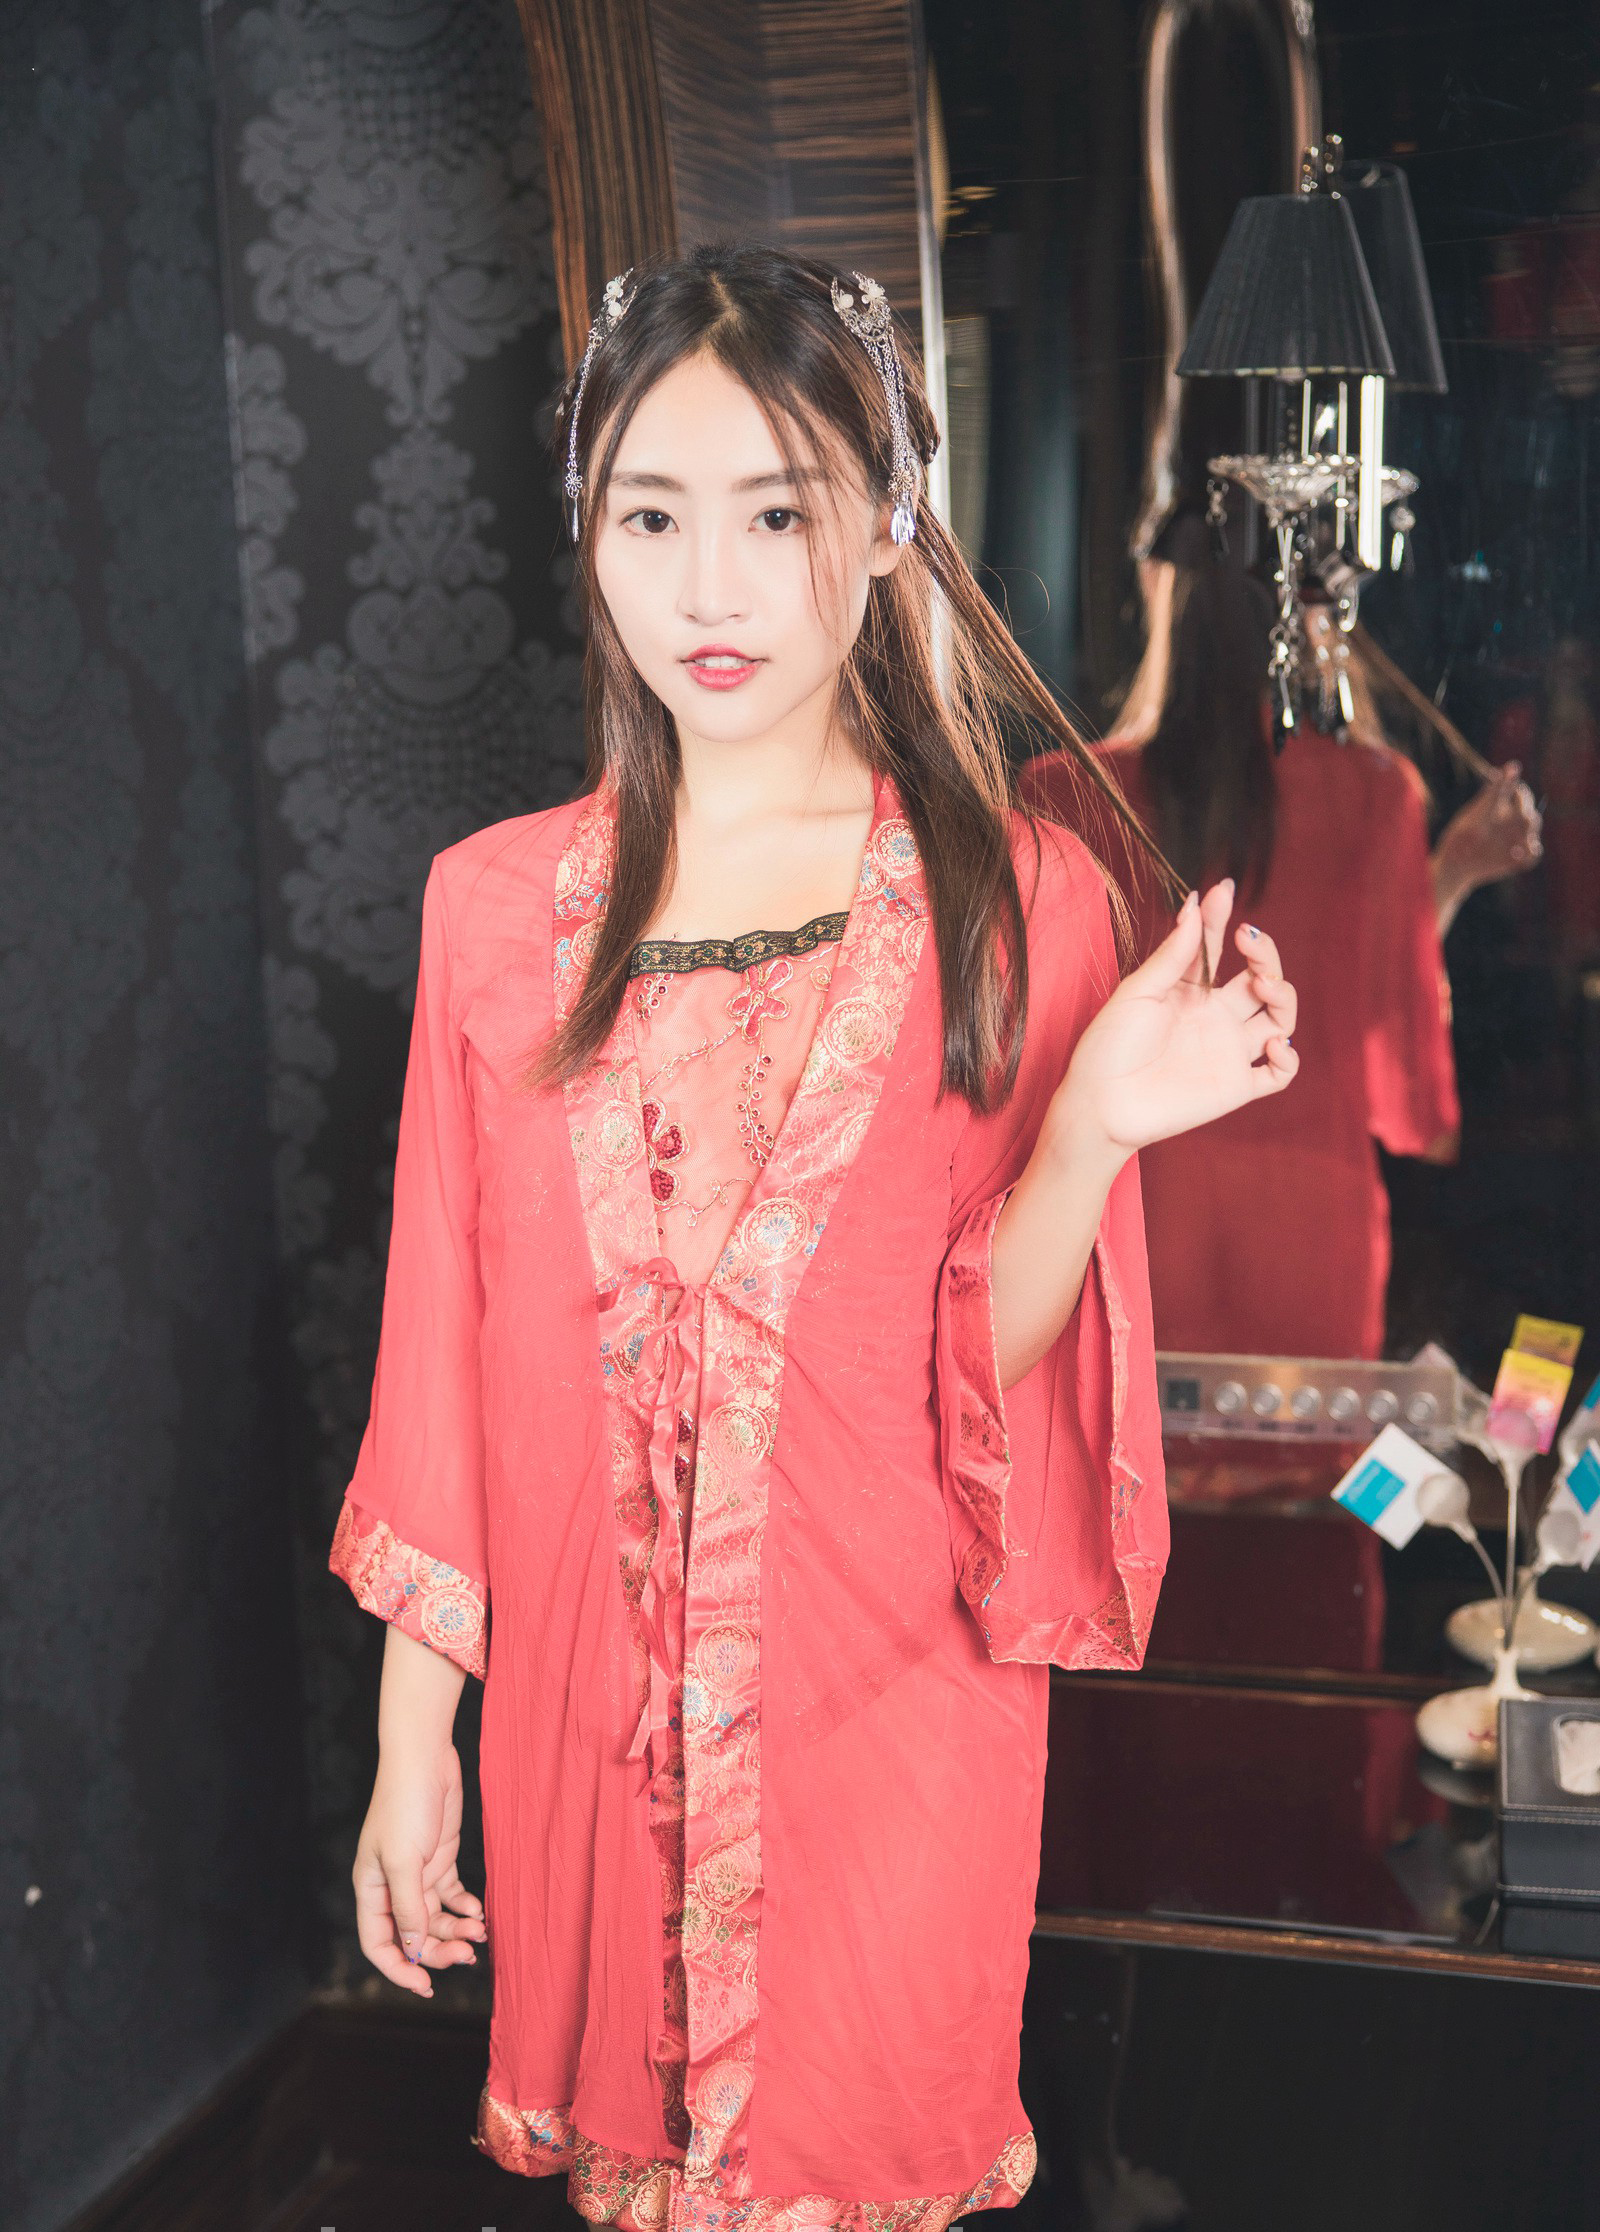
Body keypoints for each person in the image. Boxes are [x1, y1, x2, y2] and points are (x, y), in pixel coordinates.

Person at [327, 243, 1298, 2229]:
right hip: (585, 1736)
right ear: (587, 534)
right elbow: (445, 1343)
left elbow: (977, 1365)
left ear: (885, 525)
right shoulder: (489, 910)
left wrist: (1094, 1127)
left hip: (886, 1726)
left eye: (776, 515)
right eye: (650, 518)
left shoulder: (1019, 895)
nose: (710, 587)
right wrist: (414, 1741)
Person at [1028, 552, 1463, 1360]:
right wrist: (1457, 875)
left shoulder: (1062, 794)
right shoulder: (1374, 794)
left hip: (1128, 1209)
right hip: (1311, 1215)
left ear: (1160, 592)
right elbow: (1402, 1076)